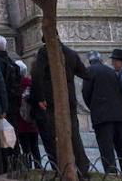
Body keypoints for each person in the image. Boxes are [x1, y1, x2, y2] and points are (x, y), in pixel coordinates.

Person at [30, 39, 90, 178]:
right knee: (74, 133)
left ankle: (62, 166)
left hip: (52, 98)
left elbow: (37, 74)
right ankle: (82, 167)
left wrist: (40, 97)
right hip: (69, 97)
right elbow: (85, 73)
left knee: (54, 133)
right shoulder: (71, 53)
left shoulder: (45, 52)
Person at [81, 50, 122, 174]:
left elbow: (85, 93)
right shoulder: (111, 71)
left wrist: (94, 107)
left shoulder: (89, 71)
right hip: (120, 116)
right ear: (100, 60)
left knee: (107, 150)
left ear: (89, 61)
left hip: (102, 117)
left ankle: (112, 175)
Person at [0, 37, 23, 172]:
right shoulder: (13, 63)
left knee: (1, 138)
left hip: (1, 107)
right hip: (13, 106)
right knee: (12, 136)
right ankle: (17, 163)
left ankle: (5, 166)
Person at [11, 61, 40, 168]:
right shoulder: (32, 84)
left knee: (25, 149)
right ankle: (39, 168)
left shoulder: (16, 86)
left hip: (21, 123)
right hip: (33, 122)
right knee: (35, 147)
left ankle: (28, 169)